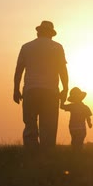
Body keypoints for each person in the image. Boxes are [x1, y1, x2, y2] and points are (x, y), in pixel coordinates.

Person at [13, 21, 69, 150]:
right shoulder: (57, 47)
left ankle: (31, 154)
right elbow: (63, 71)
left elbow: (19, 70)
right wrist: (65, 89)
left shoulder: (26, 47)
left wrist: (16, 89)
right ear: (51, 34)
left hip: (31, 90)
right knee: (49, 126)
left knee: (30, 124)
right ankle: (47, 156)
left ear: (38, 32)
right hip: (51, 92)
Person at [60, 87, 93, 151]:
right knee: (79, 142)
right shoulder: (85, 107)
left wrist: (62, 99)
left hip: (73, 128)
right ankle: (78, 154)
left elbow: (62, 106)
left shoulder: (72, 106)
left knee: (74, 141)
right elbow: (88, 117)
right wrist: (89, 124)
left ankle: (75, 153)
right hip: (81, 128)